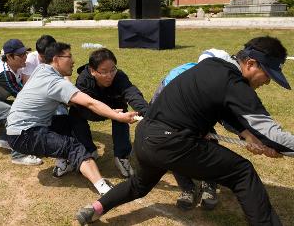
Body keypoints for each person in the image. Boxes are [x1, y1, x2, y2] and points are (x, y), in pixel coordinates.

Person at [76, 36, 293, 226]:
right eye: (268, 75)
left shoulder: (211, 67)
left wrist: (246, 134)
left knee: (139, 185)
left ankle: (95, 208)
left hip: (145, 138)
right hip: (172, 143)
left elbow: (219, 108)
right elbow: (272, 134)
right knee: (242, 172)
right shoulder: (235, 84)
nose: (267, 82)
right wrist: (268, 141)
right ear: (251, 63)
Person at [6, 42, 138, 195]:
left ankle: (68, 159)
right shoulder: (54, 82)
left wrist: (109, 112)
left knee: (70, 122)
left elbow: (73, 103)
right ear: (56, 59)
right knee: (74, 146)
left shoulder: (41, 70)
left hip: (19, 130)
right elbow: (88, 102)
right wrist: (116, 116)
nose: (73, 60)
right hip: (25, 135)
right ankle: (103, 187)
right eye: (69, 56)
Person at [150, 48, 231, 210]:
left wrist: (247, 135)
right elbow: (156, 104)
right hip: (173, 120)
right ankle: (187, 187)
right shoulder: (177, 76)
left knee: (211, 141)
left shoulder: (220, 83)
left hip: (200, 117)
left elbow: (226, 114)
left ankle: (209, 183)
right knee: (173, 146)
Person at [68, 48, 148, 178]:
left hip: (115, 107)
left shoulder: (119, 76)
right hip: (90, 109)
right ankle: (89, 149)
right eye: (104, 72)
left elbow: (132, 93)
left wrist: (146, 112)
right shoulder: (83, 80)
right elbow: (85, 107)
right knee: (74, 113)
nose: (110, 75)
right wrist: (109, 113)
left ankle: (122, 156)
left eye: (112, 70)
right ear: (93, 71)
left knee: (122, 114)